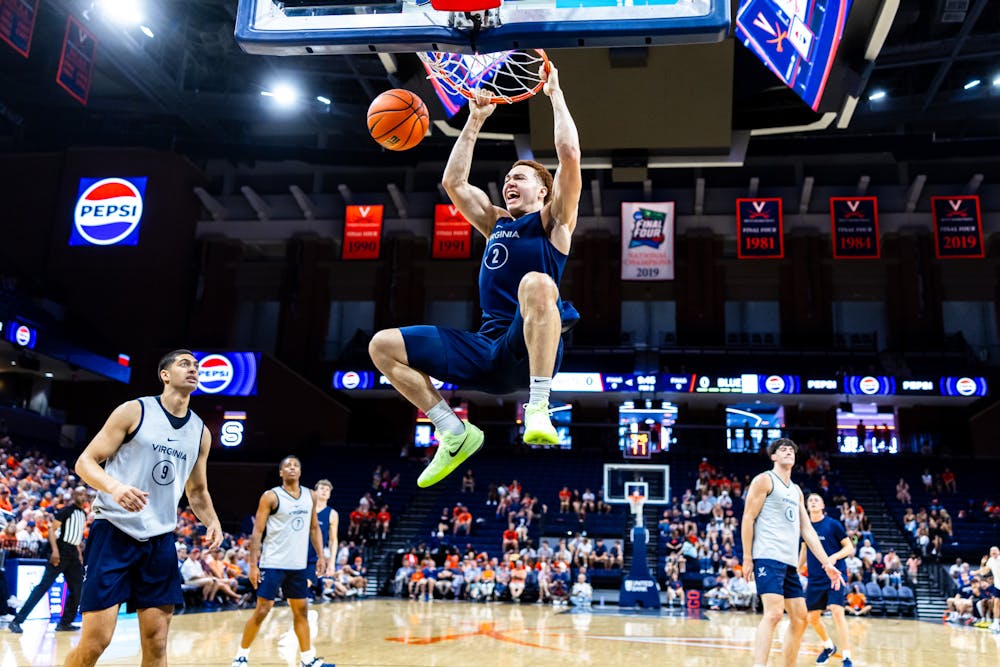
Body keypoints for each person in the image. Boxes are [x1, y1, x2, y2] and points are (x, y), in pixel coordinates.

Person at [368, 61, 582, 488]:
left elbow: (570, 155)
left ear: (543, 190)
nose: (509, 182)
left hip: (530, 349)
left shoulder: (555, 222)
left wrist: (555, 94)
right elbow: (454, 183)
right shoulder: (495, 224)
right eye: (506, 178)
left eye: (519, 177)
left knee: (538, 283)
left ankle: (539, 406)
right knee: (382, 346)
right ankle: (453, 431)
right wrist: (475, 120)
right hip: (488, 350)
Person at [64, 349, 224, 667]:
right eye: (184, 364)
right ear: (164, 374)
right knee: (97, 640)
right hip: (114, 530)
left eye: (196, 366)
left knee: (157, 643)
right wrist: (115, 487)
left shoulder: (201, 433)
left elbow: (197, 491)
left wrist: (213, 521)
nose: (193, 369)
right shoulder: (134, 411)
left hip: (160, 540)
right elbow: (85, 462)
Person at [742, 439, 845, 667]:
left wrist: (827, 564)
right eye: (783, 449)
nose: (789, 451)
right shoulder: (764, 480)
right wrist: (747, 557)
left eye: (791, 449)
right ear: (774, 457)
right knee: (774, 613)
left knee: (800, 618)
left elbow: (807, 529)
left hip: (788, 562)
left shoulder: (796, 491)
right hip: (767, 555)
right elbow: (748, 516)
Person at [231, 456, 331, 667]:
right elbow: (257, 532)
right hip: (273, 562)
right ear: (281, 473)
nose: (292, 468)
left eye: (296, 465)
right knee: (262, 610)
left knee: (301, 611)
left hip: (298, 565)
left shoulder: (310, 496)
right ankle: (241, 656)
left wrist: (321, 556)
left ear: (301, 472)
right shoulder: (271, 497)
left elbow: (314, 528)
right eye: (287, 465)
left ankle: (306, 659)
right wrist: (252, 564)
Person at [8, 486, 88, 634]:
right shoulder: (66, 510)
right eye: (77, 493)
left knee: (77, 590)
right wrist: (55, 551)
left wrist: (80, 556)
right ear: (73, 496)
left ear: (86, 497)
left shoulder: (83, 514)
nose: (80, 496)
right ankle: (17, 621)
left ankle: (65, 623)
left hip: (73, 555)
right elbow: (51, 530)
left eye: (83, 494)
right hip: (61, 550)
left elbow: (77, 538)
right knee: (43, 587)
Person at [799, 493, 855, 666]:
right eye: (810, 501)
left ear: (823, 505)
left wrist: (835, 557)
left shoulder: (833, 525)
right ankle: (829, 646)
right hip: (815, 579)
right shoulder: (805, 527)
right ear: (807, 507)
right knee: (812, 618)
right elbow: (804, 551)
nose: (813, 502)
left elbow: (849, 547)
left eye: (816, 500)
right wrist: (796, 568)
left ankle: (846, 656)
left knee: (837, 612)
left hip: (835, 576)